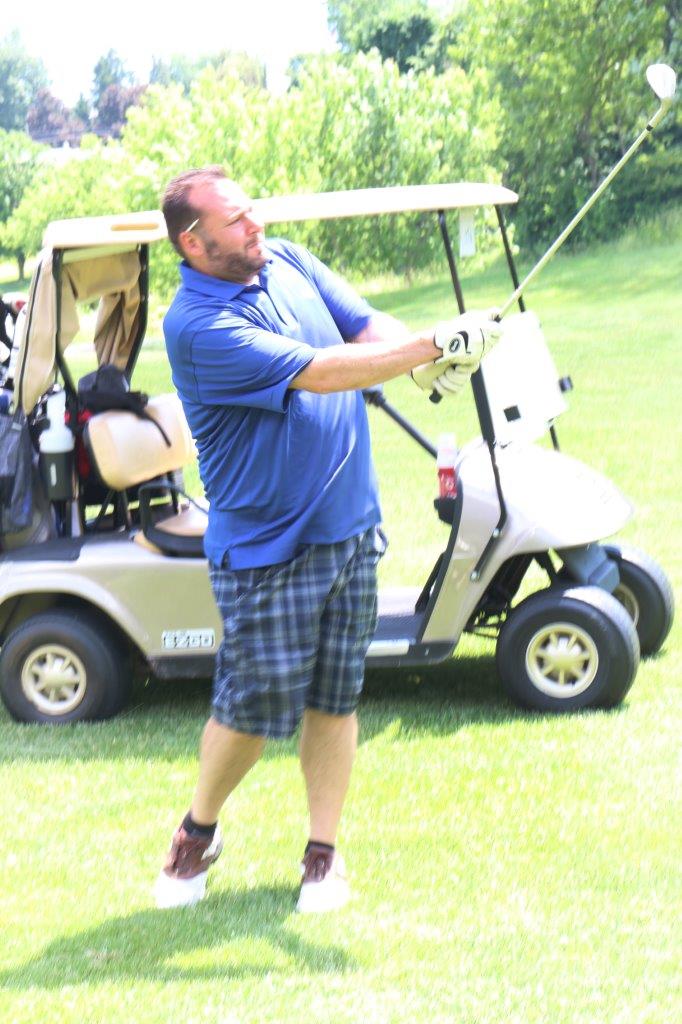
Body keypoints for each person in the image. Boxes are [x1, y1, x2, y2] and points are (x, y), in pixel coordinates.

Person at [155, 166, 500, 912]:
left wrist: (425, 359)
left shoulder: (287, 259)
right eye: (235, 220)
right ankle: (197, 830)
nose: (255, 225)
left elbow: (363, 326)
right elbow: (319, 371)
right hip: (267, 552)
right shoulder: (196, 326)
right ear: (194, 242)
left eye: (251, 211)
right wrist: (429, 345)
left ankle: (322, 855)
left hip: (350, 527)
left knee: (335, 699)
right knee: (251, 710)